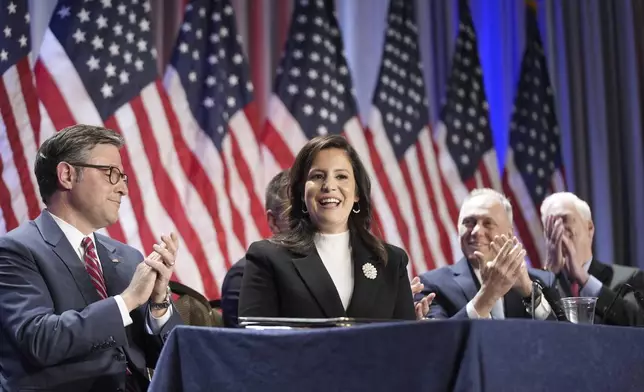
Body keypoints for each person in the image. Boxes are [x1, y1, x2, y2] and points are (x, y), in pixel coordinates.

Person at [0, 125, 182, 392]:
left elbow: (170, 356)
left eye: (123, 177)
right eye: (112, 173)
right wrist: (127, 300)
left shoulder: (127, 257)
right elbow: (38, 339)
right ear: (67, 175)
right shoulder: (16, 250)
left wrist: (158, 304)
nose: (123, 189)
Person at [238, 135, 416, 321]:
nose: (329, 186)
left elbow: (404, 343)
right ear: (301, 192)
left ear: (356, 193)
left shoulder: (391, 261)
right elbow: (255, 343)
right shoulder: (267, 258)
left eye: (341, 176)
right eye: (317, 176)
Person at [419, 188, 555, 320]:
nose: (477, 231)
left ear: (509, 234)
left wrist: (530, 294)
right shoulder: (431, 286)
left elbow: (564, 338)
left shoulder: (542, 282)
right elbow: (439, 339)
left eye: (488, 223)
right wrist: (488, 294)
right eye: (469, 222)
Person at [541, 192, 644, 326]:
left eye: (564, 219)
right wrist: (549, 274)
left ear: (589, 228)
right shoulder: (542, 284)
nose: (558, 229)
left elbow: (636, 321)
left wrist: (584, 279)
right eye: (551, 224)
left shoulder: (629, 279)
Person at [220, 170, 290, 327]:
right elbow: (251, 347)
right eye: (297, 215)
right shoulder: (245, 277)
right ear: (273, 221)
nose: (309, 224)